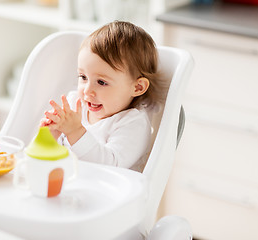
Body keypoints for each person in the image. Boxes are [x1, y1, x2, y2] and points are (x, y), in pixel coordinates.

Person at [40, 21, 168, 172]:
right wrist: (50, 136)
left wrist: (75, 132)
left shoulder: (132, 123)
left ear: (137, 87)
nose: (87, 91)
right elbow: (49, 156)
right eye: (83, 77)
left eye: (101, 82)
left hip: (111, 193)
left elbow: (111, 166)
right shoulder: (75, 104)